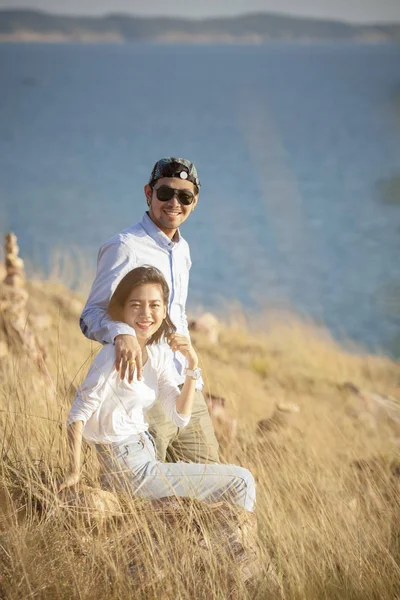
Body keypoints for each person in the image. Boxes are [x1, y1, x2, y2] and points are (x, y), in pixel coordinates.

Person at [60, 267, 255, 512]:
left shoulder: (156, 353)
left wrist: (192, 365)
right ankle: (241, 549)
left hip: (146, 458)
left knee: (215, 499)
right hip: (130, 469)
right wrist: (74, 472)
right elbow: (77, 414)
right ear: (122, 310)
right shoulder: (113, 354)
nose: (145, 314)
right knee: (242, 481)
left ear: (164, 311)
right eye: (136, 305)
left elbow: (179, 417)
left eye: (154, 305)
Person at [80, 157, 219, 464]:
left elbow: (176, 314)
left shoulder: (183, 249)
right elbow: (90, 315)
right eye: (165, 192)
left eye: (185, 196)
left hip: (185, 386)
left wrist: (193, 371)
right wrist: (121, 332)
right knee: (149, 501)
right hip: (144, 391)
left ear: (194, 202)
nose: (174, 203)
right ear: (148, 193)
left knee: (209, 485)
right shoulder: (124, 246)